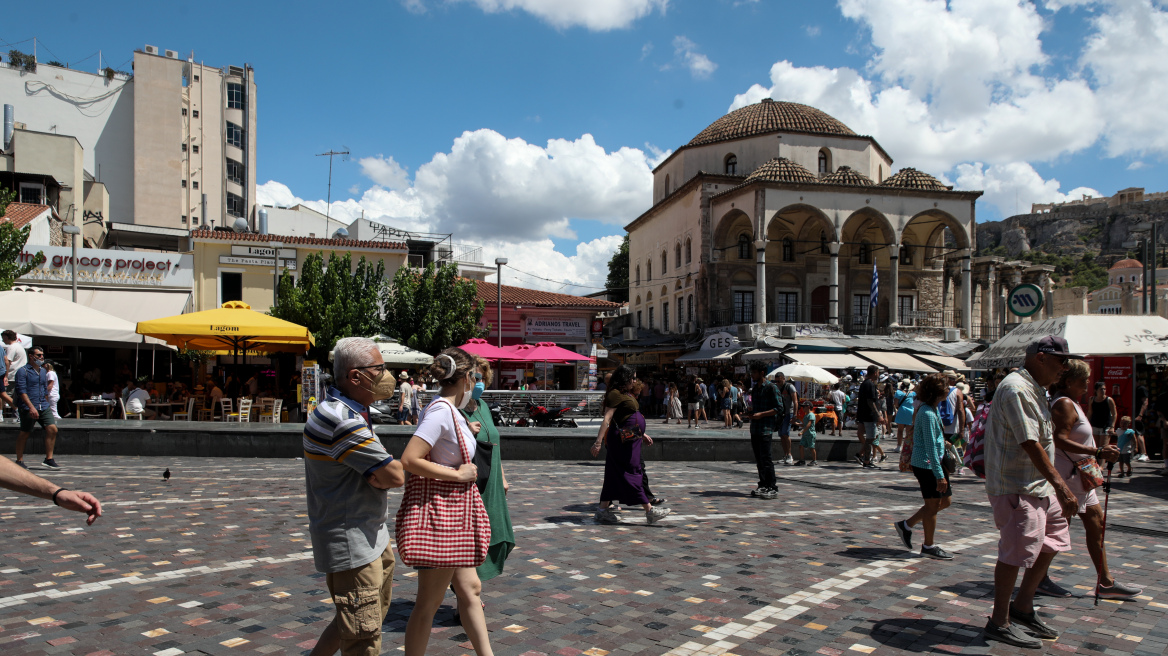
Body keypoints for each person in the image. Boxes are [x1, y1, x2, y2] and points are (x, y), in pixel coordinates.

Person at [305, 337, 404, 656]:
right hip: (352, 544)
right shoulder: (342, 420)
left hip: (370, 536)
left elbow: (384, 474)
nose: (387, 375)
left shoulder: (349, 410)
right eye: (380, 368)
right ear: (355, 376)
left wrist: (379, 471)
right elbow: (394, 475)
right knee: (363, 636)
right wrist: (381, 471)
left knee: (355, 622)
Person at [981, 336, 1081, 649]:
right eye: (1060, 360)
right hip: (1017, 485)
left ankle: (1022, 607)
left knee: (1052, 541)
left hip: (1037, 485)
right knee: (1015, 551)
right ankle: (999, 621)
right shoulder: (1016, 388)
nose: (1064, 368)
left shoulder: (1036, 388)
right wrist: (1062, 486)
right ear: (1040, 357)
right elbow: (1029, 442)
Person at [399, 348, 494, 656]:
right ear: (466, 378)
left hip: (453, 518)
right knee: (428, 603)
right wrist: (457, 474)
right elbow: (410, 459)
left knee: (470, 589)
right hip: (444, 518)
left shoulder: (450, 411)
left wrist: (467, 431)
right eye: (476, 376)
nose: (478, 382)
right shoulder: (441, 411)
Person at [1045, 361, 1139, 601]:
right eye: (1084, 380)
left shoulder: (1074, 403)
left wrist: (1097, 450)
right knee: (1058, 529)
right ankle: (1038, 578)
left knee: (1096, 522)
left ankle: (1105, 582)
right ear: (1069, 381)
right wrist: (1096, 452)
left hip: (1083, 476)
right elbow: (1059, 439)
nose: (1088, 384)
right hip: (1070, 477)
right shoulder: (1064, 404)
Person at [460, 357, 514, 600]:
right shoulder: (454, 409)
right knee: (471, 537)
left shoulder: (482, 406)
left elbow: (494, 444)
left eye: (482, 378)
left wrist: (502, 476)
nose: (479, 383)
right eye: (475, 378)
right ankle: (469, 595)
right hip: (470, 483)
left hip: (491, 482)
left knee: (494, 533)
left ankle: (470, 591)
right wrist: (463, 431)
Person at [589, 366, 670, 525]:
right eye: (632, 378)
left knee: (613, 474)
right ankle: (649, 510)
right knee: (632, 472)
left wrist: (641, 434)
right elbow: (608, 419)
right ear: (624, 378)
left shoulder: (625, 393)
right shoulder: (614, 394)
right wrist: (598, 442)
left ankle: (602, 511)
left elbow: (627, 419)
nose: (634, 381)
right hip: (621, 441)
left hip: (629, 437)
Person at [894, 374, 954, 560]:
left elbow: (932, 440)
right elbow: (928, 447)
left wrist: (943, 442)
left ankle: (906, 525)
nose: (948, 390)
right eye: (945, 387)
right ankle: (928, 545)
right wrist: (939, 475)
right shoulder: (927, 413)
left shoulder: (931, 409)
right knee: (933, 504)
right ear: (937, 392)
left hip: (934, 461)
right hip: (927, 465)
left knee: (945, 501)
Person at [15, 347, 60, 469]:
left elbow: (45, 389)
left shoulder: (43, 371)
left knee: (52, 429)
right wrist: (31, 407)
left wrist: (46, 403)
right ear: (31, 356)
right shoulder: (23, 371)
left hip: (43, 405)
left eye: (42, 355)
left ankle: (49, 459)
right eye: (39, 355)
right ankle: (19, 460)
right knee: (25, 432)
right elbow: (21, 391)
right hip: (28, 406)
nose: (41, 357)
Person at [746, 361, 782, 499]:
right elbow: (756, 408)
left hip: (766, 428)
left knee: (766, 459)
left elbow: (779, 408)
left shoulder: (771, 388)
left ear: (762, 373)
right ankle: (763, 484)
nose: (752, 375)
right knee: (759, 459)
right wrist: (751, 413)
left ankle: (772, 487)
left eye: (754, 372)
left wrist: (761, 414)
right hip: (755, 428)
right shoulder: (755, 389)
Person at [855, 365, 881, 468]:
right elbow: (870, 401)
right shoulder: (870, 384)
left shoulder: (864, 384)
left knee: (873, 436)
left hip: (864, 415)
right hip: (869, 415)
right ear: (875, 373)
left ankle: (861, 455)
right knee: (871, 438)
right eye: (878, 373)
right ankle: (866, 460)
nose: (878, 375)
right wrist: (878, 415)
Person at [3, 330, 27, 423]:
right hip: (19, 375)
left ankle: (16, 412)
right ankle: (19, 414)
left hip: (12, 375)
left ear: (7, 337)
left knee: (4, 395)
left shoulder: (12, 347)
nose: (2, 339)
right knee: (17, 397)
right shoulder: (19, 346)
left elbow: (7, 361)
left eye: (3, 337)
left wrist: (6, 375)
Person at [776, 372, 798, 466]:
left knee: (785, 433)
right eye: (776, 381)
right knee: (781, 434)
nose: (778, 382)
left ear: (783, 378)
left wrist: (795, 415)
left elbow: (795, 401)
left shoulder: (790, 387)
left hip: (789, 412)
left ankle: (789, 455)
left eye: (779, 380)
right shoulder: (777, 387)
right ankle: (785, 455)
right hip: (781, 414)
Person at [893, 380, 916, 453]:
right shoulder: (913, 393)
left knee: (900, 430)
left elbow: (896, 404)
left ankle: (899, 446)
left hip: (902, 411)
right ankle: (908, 446)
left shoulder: (898, 393)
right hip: (911, 413)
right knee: (908, 432)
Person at [795, 400, 817, 466]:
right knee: (801, 445)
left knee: (811, 447)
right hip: (805, 434)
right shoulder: (805, 415)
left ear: (808, 407)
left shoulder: (811, 415)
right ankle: (802, 460)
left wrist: (802, 432)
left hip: (810, 434)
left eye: (804, 407)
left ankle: (814, 460)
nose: (803, 408)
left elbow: (809, 424)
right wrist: (796, 424)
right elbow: (804, 425)